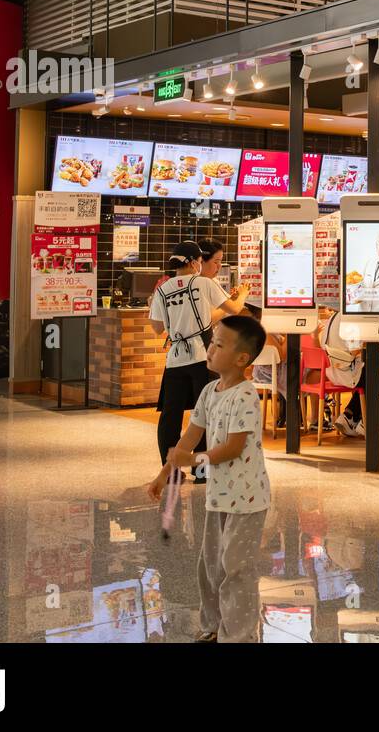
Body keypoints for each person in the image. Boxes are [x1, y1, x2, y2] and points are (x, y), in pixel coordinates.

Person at [147, 315, 270, 643]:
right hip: (219, 496)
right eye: (211, 342)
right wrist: (164, 474)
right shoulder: (208, 391)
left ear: (242, 358)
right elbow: (189, 437)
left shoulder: (245, 395)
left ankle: (239, 634)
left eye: (219, 344)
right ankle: (214, 626)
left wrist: (196, 459)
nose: (210, 349)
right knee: (211, 566)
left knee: (236, 567)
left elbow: (233, 446)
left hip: (247, 499)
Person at [149, 241, 248, 475]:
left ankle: (170, 468)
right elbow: (234, 309)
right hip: (202, 358)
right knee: (204, 414)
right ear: (195, 262)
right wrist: (242, 293)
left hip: (175, 359)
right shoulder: (203, 283)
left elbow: (156, 328)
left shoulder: (163, 289)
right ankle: (201, 471)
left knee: (170, 416)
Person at [318, 307, 379, 438]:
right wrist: (369, 338)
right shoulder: (350, 319)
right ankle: (371, 425)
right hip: (348, 371)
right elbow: (354, 350)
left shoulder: (333, 317)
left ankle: (348, 416)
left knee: (368, 377)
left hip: (334, 372)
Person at [349, 227, 379, 312]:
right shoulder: (368, 263)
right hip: (362, 317)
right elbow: (359, 289)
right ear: (376, 246)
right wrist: (352, 293)